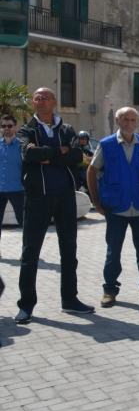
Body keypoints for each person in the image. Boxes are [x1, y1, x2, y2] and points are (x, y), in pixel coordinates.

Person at [15, 87, 94, 324]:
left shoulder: (67, 129)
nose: (40, 101)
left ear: (54, 102)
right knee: (30, 253)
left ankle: (70, 299)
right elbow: (28, 155)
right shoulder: (26, 130)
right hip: (38, 198)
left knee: (69, 251)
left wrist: (48, 156)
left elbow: (77, 156)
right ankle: (26, 305)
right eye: (37, 98)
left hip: (65, 197)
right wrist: (58, 153)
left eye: (45, 97)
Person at [87, 107, 139, 308]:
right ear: (117, 120)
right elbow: (91, 171)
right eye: (125, 119)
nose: (129, 123)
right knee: (114, 251)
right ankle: (109, 290)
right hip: (116, 207)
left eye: (133, 119)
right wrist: (95, 202)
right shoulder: (107, 145)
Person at [0, 114, 25, 254]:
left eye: (9, 126)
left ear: (15, 127)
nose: (6, 129)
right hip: (0, 190)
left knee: (24, 222)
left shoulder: (22, 146)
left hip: (18, 190)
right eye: (3, 126)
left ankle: (26, 252)